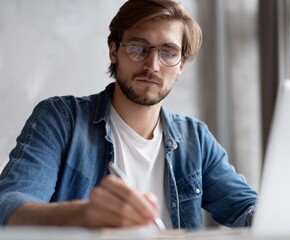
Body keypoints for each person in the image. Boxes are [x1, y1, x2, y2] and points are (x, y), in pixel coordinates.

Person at [0, 0, 257, 230]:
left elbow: (247, 208)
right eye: (138, 47)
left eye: (168, 52)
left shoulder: (195, 139)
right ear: (114, 51)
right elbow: (8, 206)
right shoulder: (61, 120)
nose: (152, 65)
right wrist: (82, 215)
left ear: (181, 65)